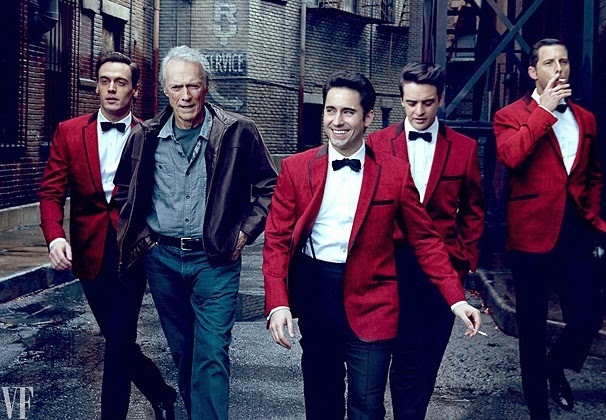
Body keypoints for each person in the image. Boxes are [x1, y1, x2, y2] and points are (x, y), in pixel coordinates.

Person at [263, 70, 482, 419]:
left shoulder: (394, 172)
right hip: (317, 295)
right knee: (321, 405)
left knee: (367, 407)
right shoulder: (296, 168)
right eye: (330, 110)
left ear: (367, 118)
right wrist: (278, 303)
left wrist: (456, 298)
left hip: (373, 301)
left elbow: (425, 239)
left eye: (348, 112)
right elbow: (276, 241)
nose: (337, 121)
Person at [114, 45, 277, 419]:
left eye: (193, 85)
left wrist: (245, 232)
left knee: (212, 352)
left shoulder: (237, 132)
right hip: (162, 260)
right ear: (165, 91)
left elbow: (271, 187)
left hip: (215, 259)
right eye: (177, 87)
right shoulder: (145, 136)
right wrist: (143, 238)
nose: (185, 96)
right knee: (184, 352)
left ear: (206, 86)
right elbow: (125, 190)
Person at [39, 51, 176, 420]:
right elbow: (51, 192)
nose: (112, 88)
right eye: (105, 81)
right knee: (117, 338)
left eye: (120, 82)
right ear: (97, 87)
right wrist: (55, 236)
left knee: (118, 341)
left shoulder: (151, 135)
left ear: (134, 90)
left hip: (133, 251)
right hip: (89, 250)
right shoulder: (69, 132)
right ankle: (160, 392)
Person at [493, 38, 605, 419]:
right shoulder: (509, 115)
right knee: (532, 330)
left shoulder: (585, 118)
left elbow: (593, 173)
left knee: (587, 318)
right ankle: (538, 412)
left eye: (564, 61)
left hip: (575, 234)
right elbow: (511, 156)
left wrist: (592, 214)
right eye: (549, 63)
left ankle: (554, 366)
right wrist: (543, 110)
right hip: (530, 237)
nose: (559, 69)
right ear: (532, 71)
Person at [367, 62, 485, 419]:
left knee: (425, 363)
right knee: (392, 358)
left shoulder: (463, 148)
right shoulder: (376, 143)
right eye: (411, 102)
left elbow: (474, 208)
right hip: (389, 265)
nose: (419, 111)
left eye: (428, 103)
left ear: (441, 99)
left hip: (442, 268)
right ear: (401, 100)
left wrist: (464, 260)